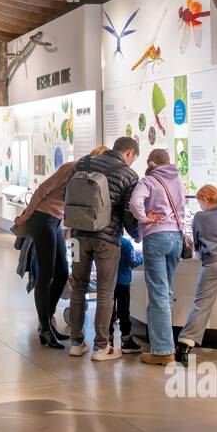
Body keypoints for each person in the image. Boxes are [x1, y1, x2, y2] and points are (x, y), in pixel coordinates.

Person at [13, 146, 108, 348]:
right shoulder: (70, 168)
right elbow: (42, 191)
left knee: (63, 273)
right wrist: (25, 216)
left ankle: (46, 321)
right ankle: (45, 328)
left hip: (54, 222)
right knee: (46, 274)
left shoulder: (89, 176)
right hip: (41, 218)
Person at [63, 137, 140, 361]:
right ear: (129, 153)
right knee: (106, 291)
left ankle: (76, 343)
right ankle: (101, 346)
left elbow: (64, 196)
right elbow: (128, 213)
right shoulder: (128, 175)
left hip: (77, 235)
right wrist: (136, 234)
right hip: (106, 239)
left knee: (78, 287)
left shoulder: (83, 164)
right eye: (134, 158)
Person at [127, 148, 185, 364]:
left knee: (158, 293)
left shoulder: (148, 182)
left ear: (151, 163)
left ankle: (163, 351)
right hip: (176, 238)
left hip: (157, 237)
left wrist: (145, 218)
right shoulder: (178, 180)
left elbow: (134, 203)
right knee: (166, 292)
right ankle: (164, 344)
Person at [177, 184, 217, 366]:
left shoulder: (200, 217)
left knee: (201, 306)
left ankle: (184, 347)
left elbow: (196, 242)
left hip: (212, 263)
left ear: (205, 200)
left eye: (200, 201)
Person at [114, 232, 143, 353]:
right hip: (123, 282)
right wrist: (141, 257)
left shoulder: (106, 241)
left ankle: (107, 340)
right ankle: (126, 341)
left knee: (108, 311)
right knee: (124, 312)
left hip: (108, 282)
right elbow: (132, 262)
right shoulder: (125, 243)